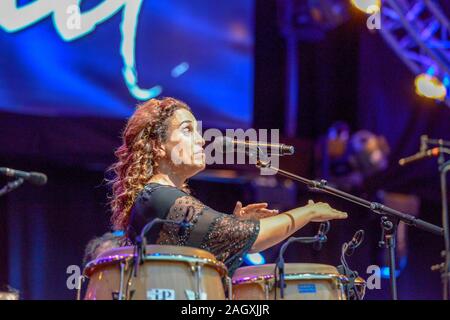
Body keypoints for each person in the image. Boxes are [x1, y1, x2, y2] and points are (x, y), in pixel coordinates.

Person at [108, 97, 347, 274]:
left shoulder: (162, 198)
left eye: (198, 131)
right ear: (158, 145)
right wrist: (309, 211)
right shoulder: (158, 196)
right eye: (187, 130)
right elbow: (254, 238)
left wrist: (234, 226)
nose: (201, 140)